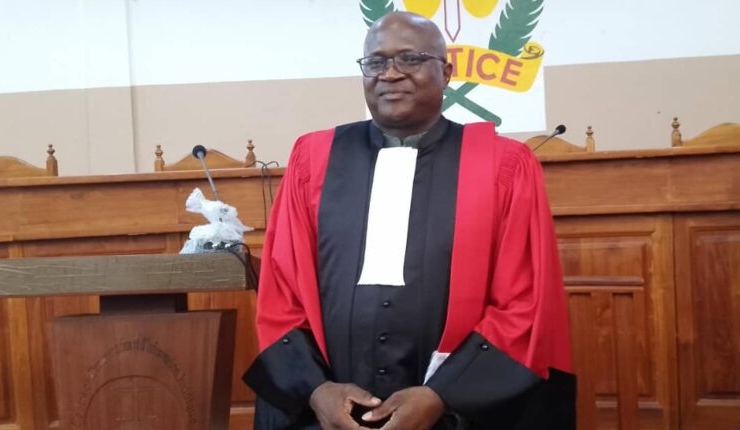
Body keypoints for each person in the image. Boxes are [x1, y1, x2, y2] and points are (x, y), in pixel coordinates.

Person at [244, 11, 576, 430]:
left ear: (446, 73)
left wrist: (443, 396)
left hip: (460, 412)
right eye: (376, 62)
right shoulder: (314, 159)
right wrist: (316, 390)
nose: (390, 74)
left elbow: (524, 298)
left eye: (411, 59)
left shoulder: (504, 165)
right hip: (329, 411)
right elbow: (282, 289)